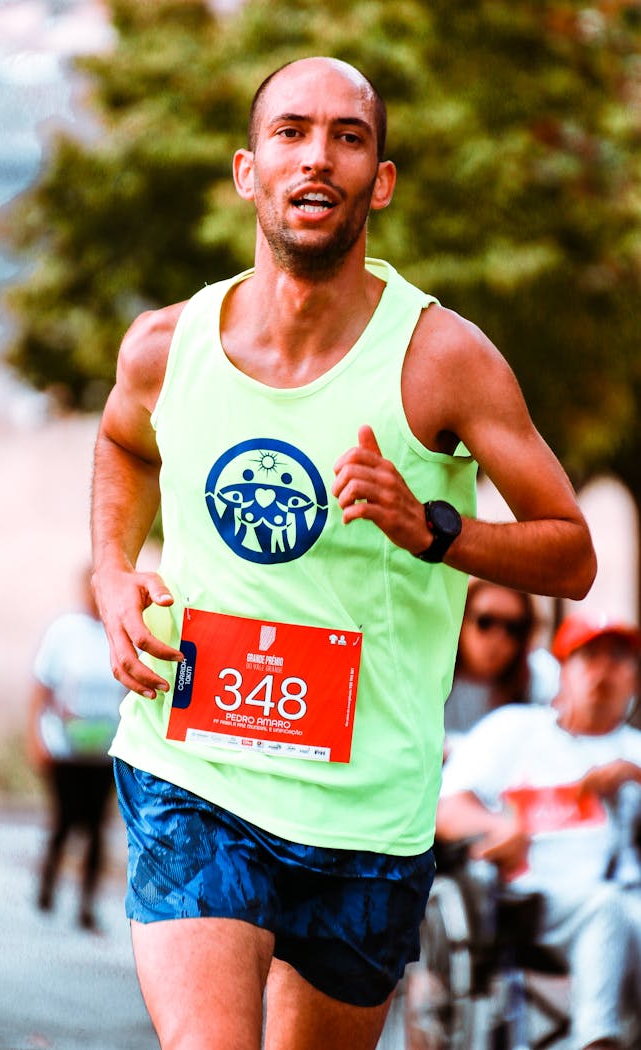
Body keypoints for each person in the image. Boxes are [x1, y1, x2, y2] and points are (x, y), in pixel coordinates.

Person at [90, 56, 596, 1049]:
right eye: (291, 132)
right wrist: (112, 569)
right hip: (193, 770)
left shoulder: (442, 359)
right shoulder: (164, 346)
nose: (317, 157)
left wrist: (432, 528)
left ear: (381, 181)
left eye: (347, 137)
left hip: (366, 809)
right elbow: (123, 442)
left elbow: (570, 553)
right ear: (248, 171)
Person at [437, 614, 641, 1050]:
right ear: (563, 670)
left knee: (620, 909)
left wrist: (634, 777)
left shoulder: (634, 751)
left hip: (625, 896)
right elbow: (447, 808)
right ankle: (596, 1040)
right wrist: (499, 825)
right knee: (606, 908)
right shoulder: (517, 729)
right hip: (531, 900)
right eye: (590, 656)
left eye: (618, 658)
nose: (604, 671)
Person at [27, 565, 126, 931]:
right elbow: (41, 688)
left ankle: (87, 903)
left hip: (103, 750)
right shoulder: (64, 632)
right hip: (65, 747)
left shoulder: (120, 632)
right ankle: (48, 885)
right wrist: (35, 738)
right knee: (65, 820)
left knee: (98, 827)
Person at [444, 580, 559, 747]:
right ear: (460, 617)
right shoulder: (432, 673)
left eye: (513, 628)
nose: (498, 638)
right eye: (485, 622)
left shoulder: (538, 676)